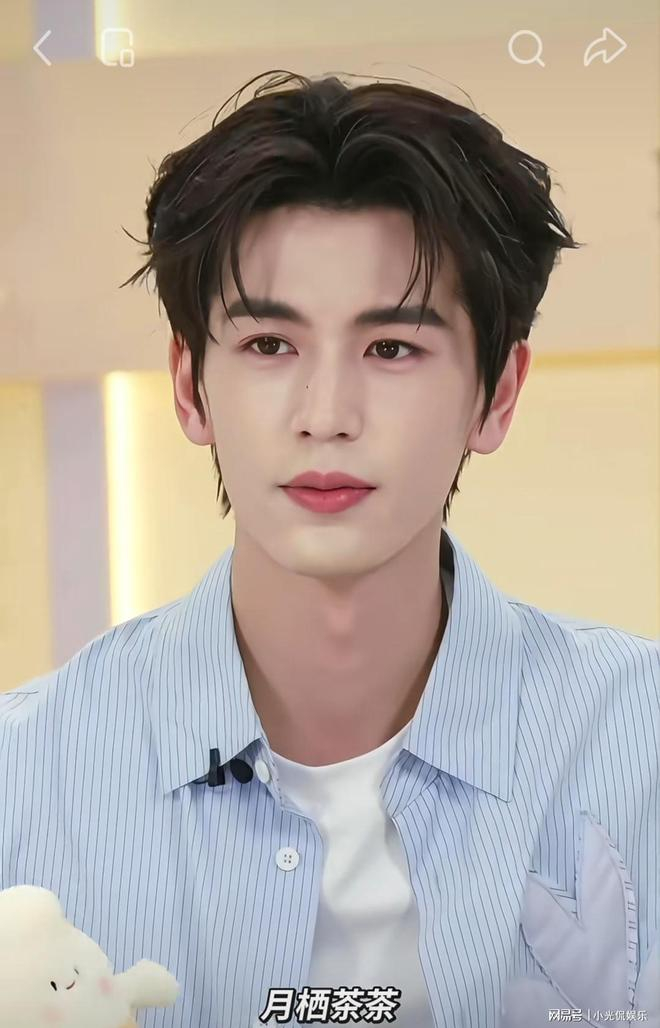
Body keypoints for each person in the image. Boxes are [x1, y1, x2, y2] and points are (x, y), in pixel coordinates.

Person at [1, 70, 657, 1028]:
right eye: (270, 345)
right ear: (187, 385)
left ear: (499, 395)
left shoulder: (640, 747)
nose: (327, 416)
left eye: (392, 349)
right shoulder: (24, 780)